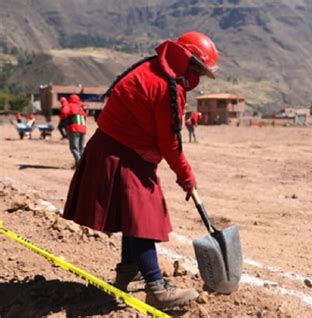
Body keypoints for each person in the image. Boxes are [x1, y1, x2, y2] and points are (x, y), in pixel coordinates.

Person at [62, 31, 219, 310]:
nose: (198, 77)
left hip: (117, 150)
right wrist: (186, 176)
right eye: (198, 70)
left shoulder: (154, 69)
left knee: (133, 214)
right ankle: (156, 288)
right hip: (118, 153)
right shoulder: (167, 88)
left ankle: (128, 271)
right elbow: (169, 143)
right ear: (185, 61)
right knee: (142, 216)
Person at [61, 94, 87, 168]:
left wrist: (64, 103)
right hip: (83, 129)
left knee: (74, 148)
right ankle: (78, 164)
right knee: (81, 148)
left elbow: (64, 112)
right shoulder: (80, 107)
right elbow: (85, 116)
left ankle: (80, 165)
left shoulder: (70, 105)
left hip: (74, 129)